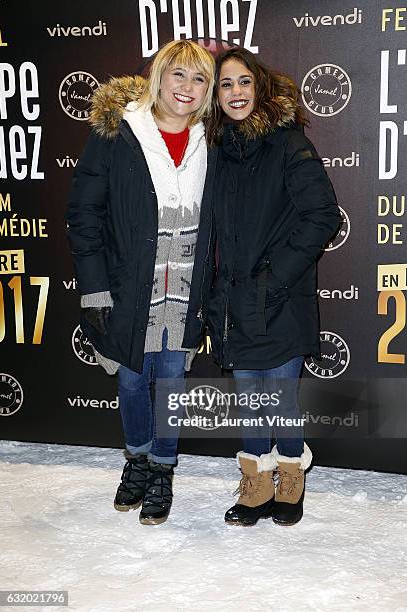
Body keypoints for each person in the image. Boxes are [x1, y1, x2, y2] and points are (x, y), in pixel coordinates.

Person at [189, 47, 341, 526]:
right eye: (225, 85)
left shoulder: (287, 143)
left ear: (260, 87)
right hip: (233, 302)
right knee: (250, 397)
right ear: (215, 96)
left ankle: (291, 475)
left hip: (280, 298)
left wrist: (274, 281)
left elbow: (323, 216)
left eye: (243, 82)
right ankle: (256, 482)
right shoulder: (213, 151)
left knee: (279, 396)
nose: (235, 93)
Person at [66, 40, 216, 525]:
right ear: (158, 77)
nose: (187, 88)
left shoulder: (214, 138)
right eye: (178, 75)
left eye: (199, 79)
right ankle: (137, 460)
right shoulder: (119, 132)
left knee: (172, 382)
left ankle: (163, 469)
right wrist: (94, 286)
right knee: (132, 381)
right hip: (130, 288)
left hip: (186, 290)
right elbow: (85, 214)